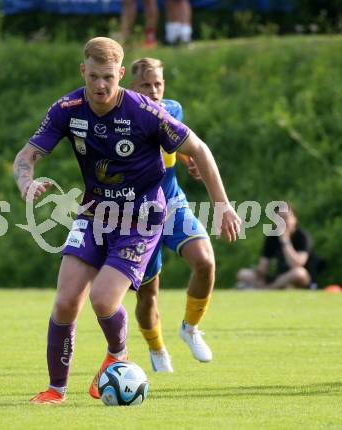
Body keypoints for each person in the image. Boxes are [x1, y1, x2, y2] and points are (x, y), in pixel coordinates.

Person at [13, 37, 241, 405]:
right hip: (94, 214)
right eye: (93, 77)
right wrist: (26, 181)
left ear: (120, 74)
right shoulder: (67, 108)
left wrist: (223, 205)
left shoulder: (143, 111)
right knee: (67, 300)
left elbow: (197, 148)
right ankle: (56, 390)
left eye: (108, 77)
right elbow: (27, 156)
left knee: (103, 299)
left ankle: (118, 354)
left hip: (141, 219)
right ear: (82, 72)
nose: (101, 86)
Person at [131, 57, 215, 373]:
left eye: (158, 84)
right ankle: (157, 349)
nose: (153, 91)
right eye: (146, 85)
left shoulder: (173, 109)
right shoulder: (123, 116)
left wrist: (185, 158)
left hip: (172, 205)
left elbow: (174, 140)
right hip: (136, 216)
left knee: (205, 261)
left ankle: (190, 328)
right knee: (148, 295)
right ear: (131, 86)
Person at [236, 202, 317, 290]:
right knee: (243, 273)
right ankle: (269, 287)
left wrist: (285, 240)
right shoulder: (272, 236)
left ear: (294, 219)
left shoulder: (302, 236)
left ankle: (265, 289)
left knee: (298, 273)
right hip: (279, 277)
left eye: (286, 217)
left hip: (300, 277)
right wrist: (258, 271)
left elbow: (296, 264)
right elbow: (263, 266)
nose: (283, 222)